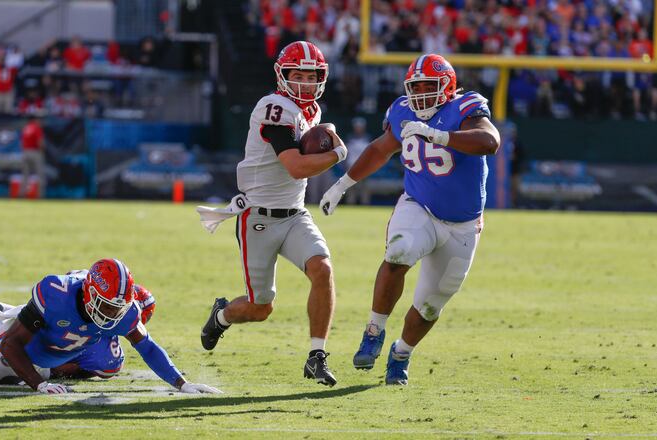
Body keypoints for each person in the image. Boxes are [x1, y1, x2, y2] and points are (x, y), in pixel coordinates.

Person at [320, 54, 500, 385]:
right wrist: (343, 184)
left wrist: (440, 136)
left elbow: (490, 142)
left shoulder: (466, 107)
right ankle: (374, 329)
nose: (419, 95)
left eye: (427, 87)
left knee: (431, 305)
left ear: (446, 87)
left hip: (462, 224)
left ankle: (400, 354)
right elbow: (378, 150)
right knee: (398, 252)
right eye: (414, 87)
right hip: (418, 206)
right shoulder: (403, 111)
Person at [197, 41, 347, 387]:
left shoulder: (312, 112)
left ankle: (316, 356)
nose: (307, 83)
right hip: (258, 220)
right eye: (299, 75)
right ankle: (221, 316)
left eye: (313, 77)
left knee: (322, 270)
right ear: (283, 76)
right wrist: (338, 154)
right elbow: (295, 166)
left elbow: (314, 151)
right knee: (260, 308)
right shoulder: (274, 107)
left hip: (295, 214)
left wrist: (332, 139)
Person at [0, 259, 220, 395]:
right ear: (88, 292)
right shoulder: (57, 295)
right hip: (19, 342)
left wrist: (182, 383)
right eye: (104, 303)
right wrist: (37, 386)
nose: (110, 313)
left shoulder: (124, 313)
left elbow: (147, 346)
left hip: (44, 356)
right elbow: (10, 347)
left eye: (117, 306)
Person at [20, 116, 46, 198]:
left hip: (25, 152)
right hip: (35, 152)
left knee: (25, 176)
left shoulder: (25, 128)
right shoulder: (36, 128)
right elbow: (40, 142)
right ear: (35, 120)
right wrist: (42, 151)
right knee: (40, 175)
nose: (40, 121)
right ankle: (40, 195)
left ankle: (22, 195)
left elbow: (21, 142)